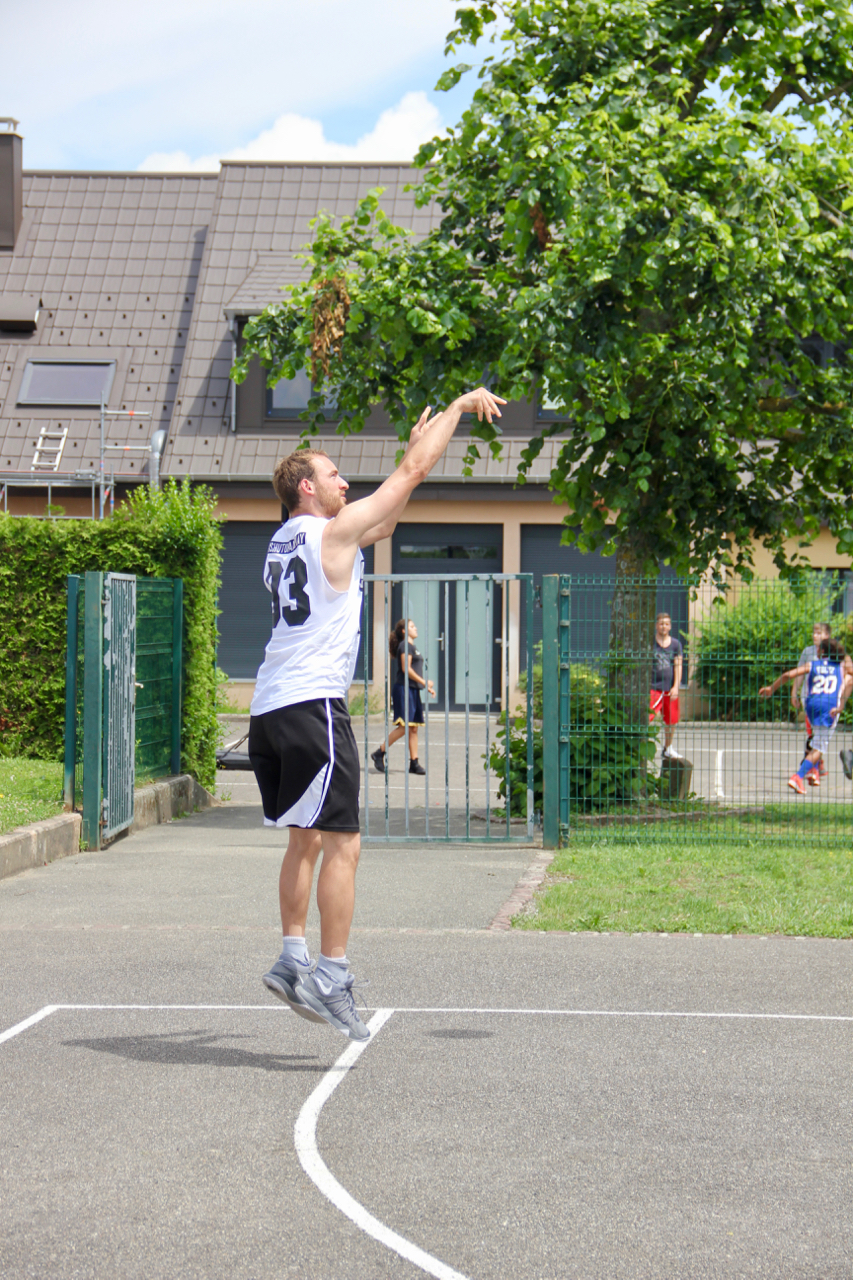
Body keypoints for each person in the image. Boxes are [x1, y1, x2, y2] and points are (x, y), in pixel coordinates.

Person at [248, 386, 505, 1041]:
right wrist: (456, 409)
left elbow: (384, 522)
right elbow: (410, 473)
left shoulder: (282, 542)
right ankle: (332, 974)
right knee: (345, 842)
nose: (345, 481)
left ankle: (292, 957)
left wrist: (405, 469)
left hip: (269, 709)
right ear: (307, 487)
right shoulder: (332, 532)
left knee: (305, 838)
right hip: (312, 706)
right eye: (333, 473)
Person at [758, 637, 853, 794]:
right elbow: (850, 681)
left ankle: (813, 771)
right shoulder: (840, 667)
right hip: (829, 707)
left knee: (817, 741)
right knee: (819, 748)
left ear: (823, 651)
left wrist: (771, 689)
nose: (816, 650)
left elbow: (788, 675)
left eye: (818, 648)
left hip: (811, 705)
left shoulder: (812, 664)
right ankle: (798, 777)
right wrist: (841, 704)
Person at [371, 619, 435, 775]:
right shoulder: (405, 646)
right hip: (404, 689)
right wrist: (424, 682)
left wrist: (424, 684)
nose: (416, 628)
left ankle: (414, 763)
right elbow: (406, 669)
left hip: (413, 689)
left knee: (413, 727)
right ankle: (379, 752)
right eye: (412, 626)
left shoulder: (412, 647)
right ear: (404, 631)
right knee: (405, 726)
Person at [791, 621, 832, 775]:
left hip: (826, 699)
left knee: (821, 733)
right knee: (813, 732)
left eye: (819, 633)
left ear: (827, 635)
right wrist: (794, 692)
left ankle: (814, 761)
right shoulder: (808, 652)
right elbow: (799, 673)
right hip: (809, 699)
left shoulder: (833, 653)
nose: (815, 635)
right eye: (814, 633)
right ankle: (813, 766)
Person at [649, 612, 684, 760]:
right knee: (647, 717)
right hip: (653, 687)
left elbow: (678, 665)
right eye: (661, 623)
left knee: (671, 720)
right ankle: (639, 747)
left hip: (669, 688)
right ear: (656, 625)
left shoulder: (676, 644)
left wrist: (676, 686)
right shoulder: (650, 643)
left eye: (666, 624)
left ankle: (668, 748)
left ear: (670, 626)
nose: (664, 626)